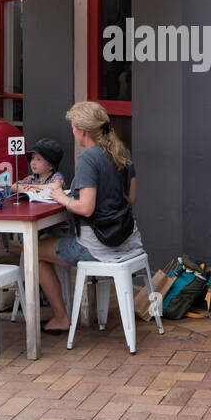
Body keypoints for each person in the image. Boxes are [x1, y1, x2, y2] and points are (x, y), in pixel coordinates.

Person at [35, 102, 141, 334]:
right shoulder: (122, 152)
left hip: (98, 248)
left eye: (73, 127)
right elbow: (131, 199)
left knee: (32, 251)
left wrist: (61, 197)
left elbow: (86, 208)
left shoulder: (88, 159)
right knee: (58, 239)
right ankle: (90, 312)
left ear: (82, 130)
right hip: (128, 241)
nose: (72, 131)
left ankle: (62, 317)